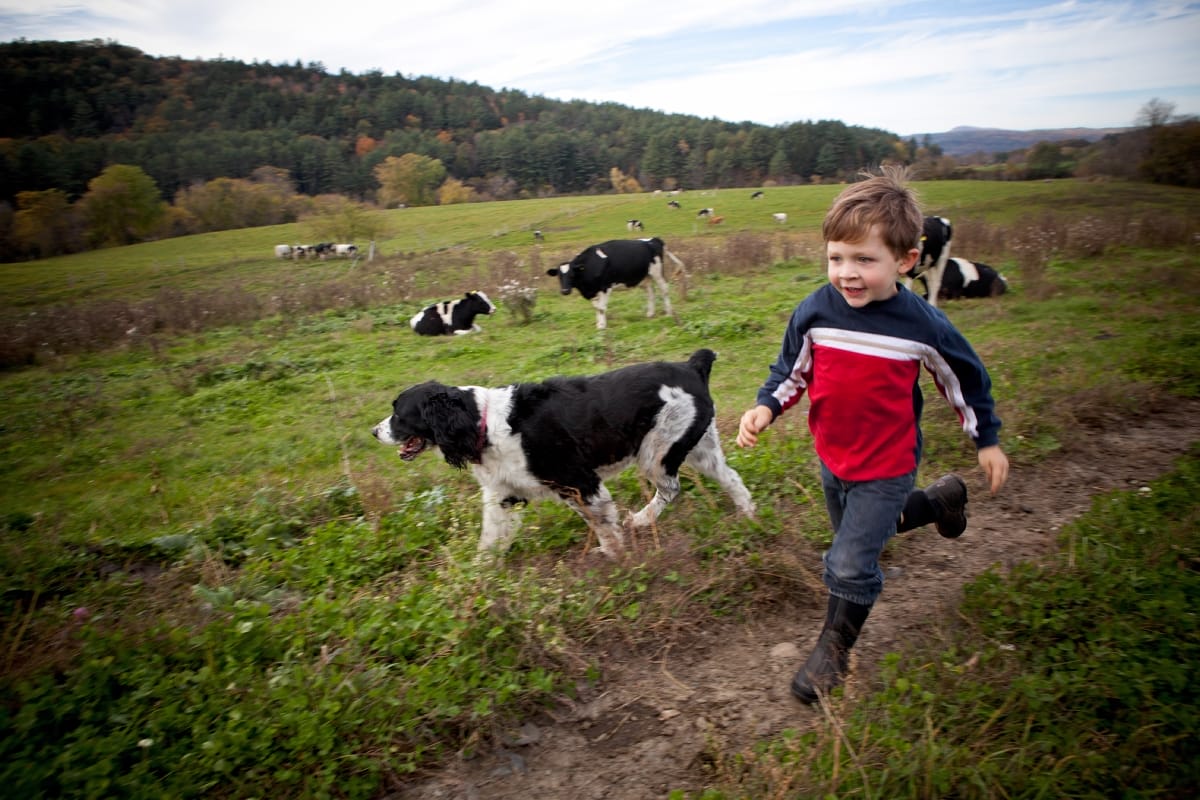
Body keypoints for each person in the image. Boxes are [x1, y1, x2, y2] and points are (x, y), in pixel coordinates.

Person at [736, 166, 1009, 704]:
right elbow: (792, 369)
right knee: (863, 537)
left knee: (849, 562)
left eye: (865, 260)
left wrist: (986, 439)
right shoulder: (815, 310)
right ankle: (940, 501)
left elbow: (965, 377)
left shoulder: (921, 324)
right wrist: (767, 407)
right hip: (834, 456)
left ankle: (835, 650)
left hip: (888, 461)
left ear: (905, 261)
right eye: (837, 257)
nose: (847, 273)